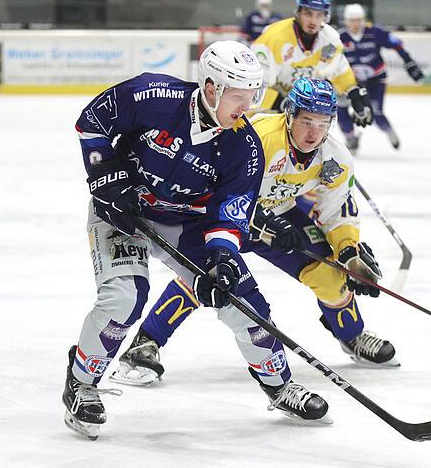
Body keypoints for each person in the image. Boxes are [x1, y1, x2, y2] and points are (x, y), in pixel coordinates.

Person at [63, 40, 330, 440]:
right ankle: (81, 383)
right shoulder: (152, 95)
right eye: (239, 97)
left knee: (244, 300)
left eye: (253, 97)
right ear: (211, 89)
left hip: (186, 225)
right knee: (123, 297)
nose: (247, 108)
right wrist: (107, 177)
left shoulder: (245, 147)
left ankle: (278, 385)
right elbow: (93, 121)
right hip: (122, 212)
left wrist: (221, 259)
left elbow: (230, 211)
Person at [111, 78, 398, 388]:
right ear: (290, 114)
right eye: (306, 121)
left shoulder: (336, 159)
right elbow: (220, 188)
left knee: (330, 272)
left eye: (323, 123)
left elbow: (335, 211)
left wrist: (349, 252)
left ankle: (351, 335)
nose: (314, 132)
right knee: (212, 274)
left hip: (279, 213)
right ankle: (145, 343)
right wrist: (258, 222)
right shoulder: (259, 138)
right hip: (224, 214)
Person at [249, 0, 373, 130]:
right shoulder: (274, 37)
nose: (313, 20)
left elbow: (339, 69)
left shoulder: (330, 40)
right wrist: (284, 103)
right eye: (308, 13)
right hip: (266, 114)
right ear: (298, 13)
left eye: (319, 15)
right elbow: (253, 86)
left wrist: (354, 93)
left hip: (302, 114)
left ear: (326, 17)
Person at [337, 3, 425, 153]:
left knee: (375, 113)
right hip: (351, 83)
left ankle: (389, 131)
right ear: (346, 21)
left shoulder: (376, 32)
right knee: (341, 109)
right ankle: (351, 139)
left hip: (375, 80)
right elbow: (330, 60)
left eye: (358, 20)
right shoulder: (339, 37)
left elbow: (397, 44)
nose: (355, 24)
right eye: (352, 20)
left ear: (363, 19)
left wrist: (409, 61)